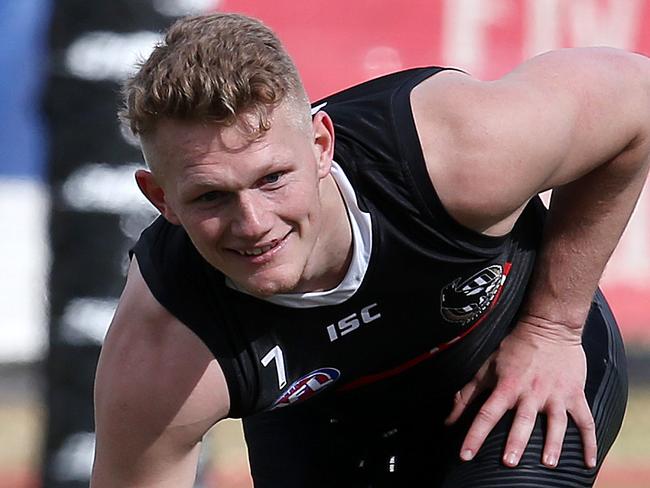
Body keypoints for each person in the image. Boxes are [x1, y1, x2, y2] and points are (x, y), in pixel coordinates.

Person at [90, 12, 648, 488]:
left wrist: (553, 329)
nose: (254, 224)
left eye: (273, 179)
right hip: (319, 424)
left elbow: (636, 97)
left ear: (321, 144)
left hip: (508, 364)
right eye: (211, 196)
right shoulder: (165, 348)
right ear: (160, 198)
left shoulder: (461, 154)